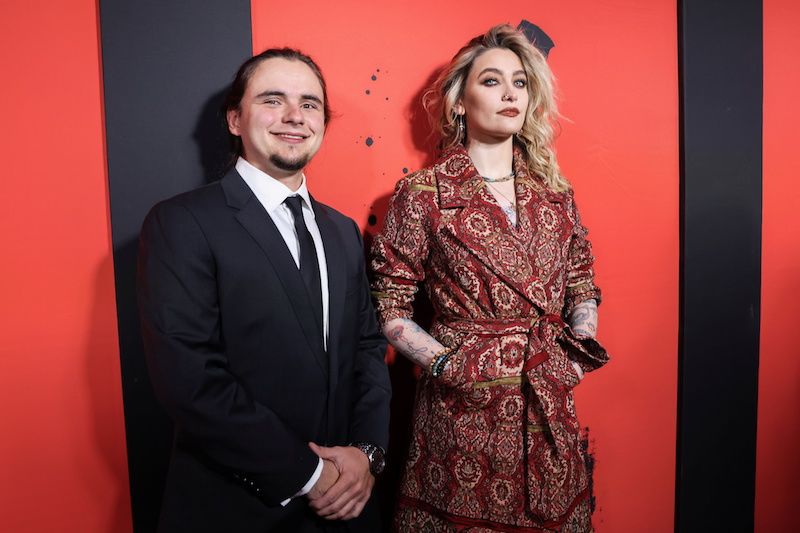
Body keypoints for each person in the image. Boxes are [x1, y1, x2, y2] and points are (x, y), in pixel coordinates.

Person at [137, 48, 391, 533]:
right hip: (235, 509)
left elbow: (366, 349)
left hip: (349, 507)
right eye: (273, 100)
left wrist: (366, 454)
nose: (295, 116)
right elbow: (189, 379)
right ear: (235, 118)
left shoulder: (341, 231)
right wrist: (309, 474)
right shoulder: (182, 222)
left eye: (310, 104)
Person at [369, 25, 609, 532]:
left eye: (520, 83)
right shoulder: (422, 193)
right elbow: (390, 306)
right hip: (462, 416)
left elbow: (582, 284)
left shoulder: (555, 191)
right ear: (460, 101)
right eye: (492, 81)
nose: (509, 94)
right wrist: (449, 367)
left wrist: (574, 352)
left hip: (547, 399)